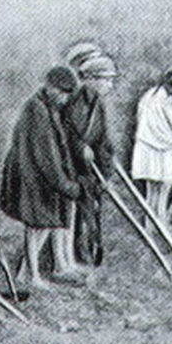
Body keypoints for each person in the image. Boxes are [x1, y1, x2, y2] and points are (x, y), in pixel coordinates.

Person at [0, 67, 85, 292]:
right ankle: (30, 276)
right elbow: (46, 154)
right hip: (31, 175)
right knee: (35, 226)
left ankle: (26, 273)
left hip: (40, 175)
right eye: (63, 93)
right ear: (51, 87)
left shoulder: (47, 107)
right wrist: (64, 184)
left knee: (43, 224)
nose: (65, 99)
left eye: (68, 94)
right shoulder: (37, 110)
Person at [62, 53, 118, 264]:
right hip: (73, 167)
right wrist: (79, 148)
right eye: (107, 79)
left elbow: (103, 140)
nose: (110, 85)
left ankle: (91, 251)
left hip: (91, 168)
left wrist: (106, 171)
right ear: (91, 79)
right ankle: (77, 253)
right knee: (76, 213)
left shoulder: (98, 103)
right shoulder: (74, 102)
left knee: (92, 210)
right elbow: (66, 133)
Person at [131, 64, 172, 228]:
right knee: (162, 191)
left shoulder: (149, 95)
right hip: (162, 149)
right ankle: (159, 225)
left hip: (146, 146)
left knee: (152, 191)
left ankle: (151, 225)